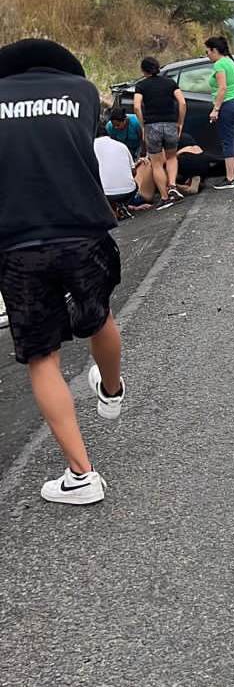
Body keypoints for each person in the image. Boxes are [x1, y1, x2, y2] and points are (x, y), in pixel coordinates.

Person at [0, 38, 125, 505]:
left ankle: (81, 475)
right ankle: (111, 391)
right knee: (99, 316)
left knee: (42, 357)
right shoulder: (82, 92)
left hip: (18, 240)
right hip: (83, 229)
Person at [133, 56, 187, 209]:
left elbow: (137, 106)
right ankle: (173, 187)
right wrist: (180, 122)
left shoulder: (141, 86)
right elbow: (182, 102)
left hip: (152, 126)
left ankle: (164, 196)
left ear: (143, 70)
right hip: (170, 124)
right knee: (171, 157)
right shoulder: (169, 82)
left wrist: (143, 125)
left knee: (156, 164)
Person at [204, 36, 234, 190]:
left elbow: (222, 88)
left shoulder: (219, 64)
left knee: (228, 141)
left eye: (207, 51)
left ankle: (229, 178)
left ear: (214, 50)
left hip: (226, 105)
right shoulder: (231, 62)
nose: (207, 54)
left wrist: (216, 109)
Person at [94, 122, 138, 219]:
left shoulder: (90, 147)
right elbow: (134, 172)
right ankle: (122, 206)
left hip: (106, 194)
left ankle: (112, 211)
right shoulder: (121, 145)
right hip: (129, 192)